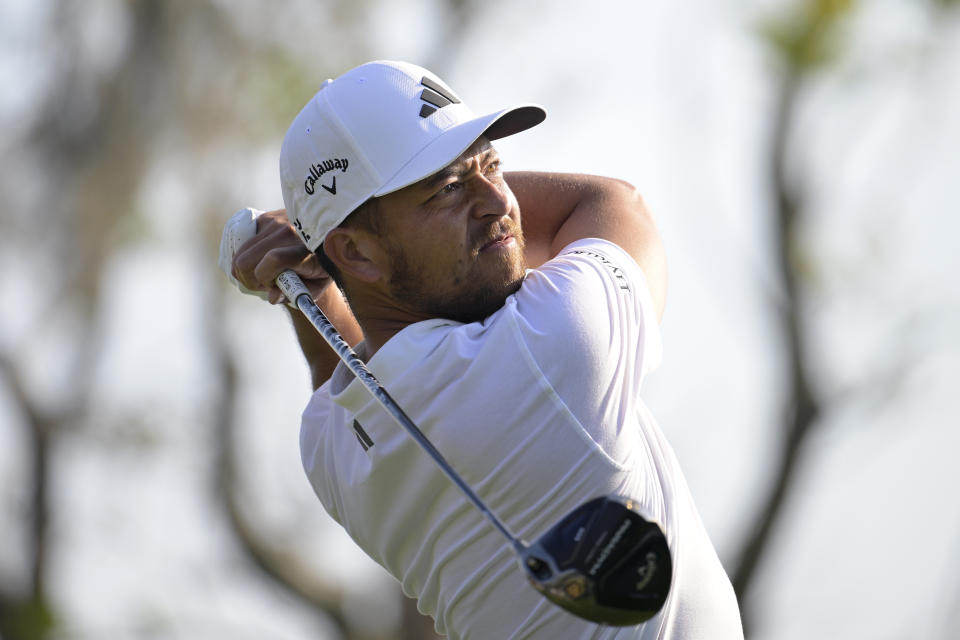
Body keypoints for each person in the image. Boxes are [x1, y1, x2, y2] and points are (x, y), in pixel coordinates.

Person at [221, 60, 744, 639]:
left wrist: (315, 269)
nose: (500, 201)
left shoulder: (330, 449)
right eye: (447, 189)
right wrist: (314, 253)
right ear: (358, 255)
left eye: (493, 164)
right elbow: (614, 202)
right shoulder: (552, 345)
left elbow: (340, 360)